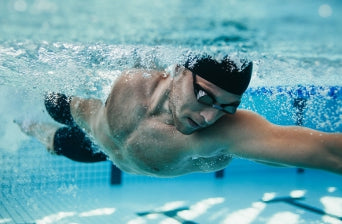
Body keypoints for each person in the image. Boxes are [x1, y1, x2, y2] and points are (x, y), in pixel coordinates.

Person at [17, 55, 342, 177]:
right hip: (76, 109)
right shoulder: (136, 69)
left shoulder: (220, 135)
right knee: (41, 98)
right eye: (203, 96)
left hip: (102, 153)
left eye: (225, 107)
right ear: (175, 69)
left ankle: (35, 131)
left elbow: (327, 151)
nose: (209, 116)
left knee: (47, 137)